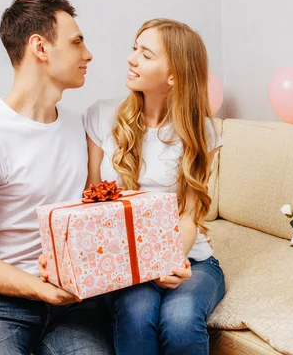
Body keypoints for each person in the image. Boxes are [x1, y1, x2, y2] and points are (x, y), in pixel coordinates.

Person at [41, 18, 225, 354]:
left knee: (181, 320)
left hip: (189, 258)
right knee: (137, 313)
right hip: (125, 262)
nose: (132, 58)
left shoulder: (201, 132)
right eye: (134, 48)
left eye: (147, 54)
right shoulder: (101, 116)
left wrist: (169, 261)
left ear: (174, 75)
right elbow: (92, 204)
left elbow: (188, 216)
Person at [0, 0, 113, 355]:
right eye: (76, 42)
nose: (88, 54)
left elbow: (90, 213)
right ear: (40, 47)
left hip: (73, 303)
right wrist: (41, 288)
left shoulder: (79, 128)